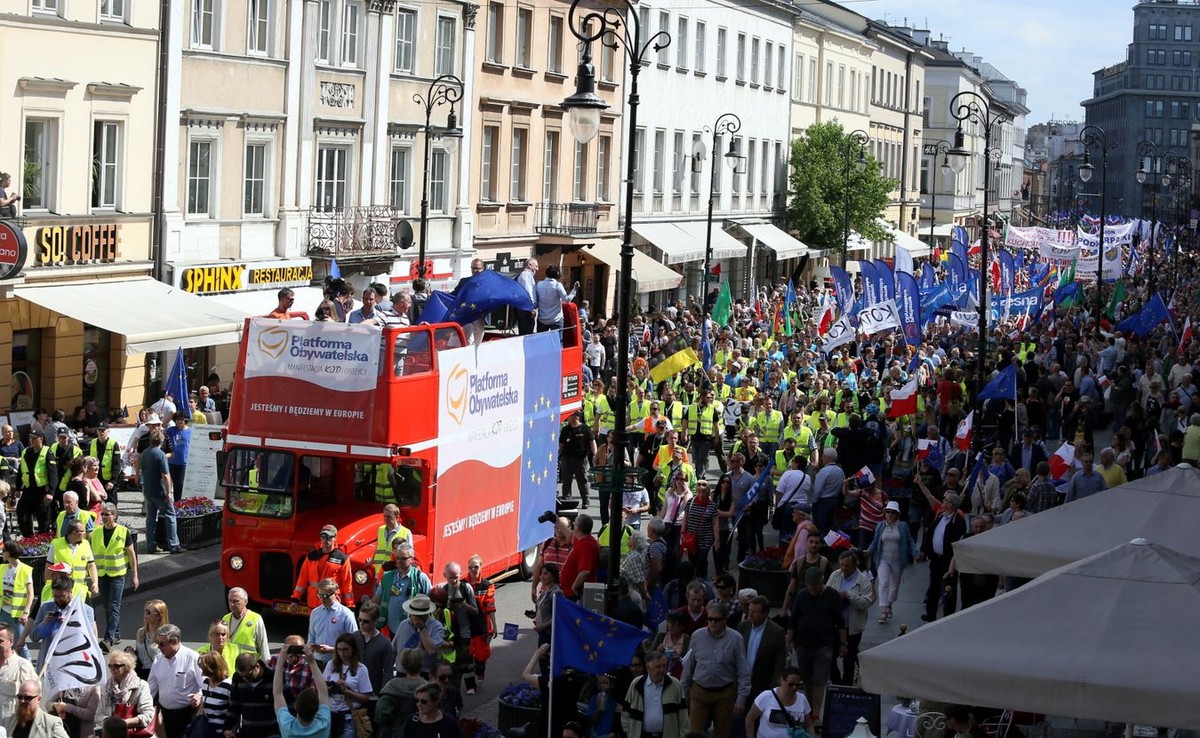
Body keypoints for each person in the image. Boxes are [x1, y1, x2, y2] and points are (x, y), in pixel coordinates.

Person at [679, 601, 751, 738]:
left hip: (725, 693)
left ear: (725, 620)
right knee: (695, 732)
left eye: (716, 619)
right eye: (709, 619)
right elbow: (688, 668)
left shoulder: (736, 639)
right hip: (700, 691)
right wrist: (684, 695)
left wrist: (741, 698)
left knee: (723, 733)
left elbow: (743, 671)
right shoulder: (697, 636)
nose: (712, 622)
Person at [785, 566, 846, 728]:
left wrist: (843, 643)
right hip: (802, 644)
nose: (813, 589)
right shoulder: (802, 595)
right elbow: (794, 620)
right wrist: (788, 641)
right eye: (810, 586)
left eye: (815, 585)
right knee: (806, 680)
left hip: (824, 645)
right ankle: (808, 711)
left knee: (820, 680)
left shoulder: (832, 596)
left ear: (822, 581)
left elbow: (840, 622)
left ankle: (816, 714)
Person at [22, 576, 97, 669]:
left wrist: (70, 624)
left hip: (72, 664)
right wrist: (45, 624)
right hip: (49, 664)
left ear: (70, 592)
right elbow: (34, 637)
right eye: (55, 596)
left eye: (62, 596)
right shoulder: (46, 607)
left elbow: (87, 639)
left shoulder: (85, 610)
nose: (58, 600)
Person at [825, 551, 874, 685]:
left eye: (847, 566)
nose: (843, 569)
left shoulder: (863, 580)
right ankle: (836, 683)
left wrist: (849, 595)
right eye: (841, 565)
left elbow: (866, 603)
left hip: (853, 627)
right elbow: (826, 595)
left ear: (855, 565)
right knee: (829, 657)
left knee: (849, 659)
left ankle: (846, 686)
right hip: (835, 626)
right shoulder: (835, 576)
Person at [147, 624, 204, 738]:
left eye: (162, 644)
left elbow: (205, 684)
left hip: (188, 713)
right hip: (167, 715)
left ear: (175, 641)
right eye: (157, 643)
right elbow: (151, 687)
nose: (159, 647)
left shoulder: (192, 657)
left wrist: (199, 695)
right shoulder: (158, 658)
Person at [918, 492, 967, 623]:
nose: (942, 502)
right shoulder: (940, 516)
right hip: (935, 558)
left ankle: (948, 615)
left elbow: (959, 542)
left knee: (949, 589)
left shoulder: (958, 521)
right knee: (934, 586)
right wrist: (924, 550)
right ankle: (930, 613)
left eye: (945, 500)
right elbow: (930, 533)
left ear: (950, 504)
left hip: (948, 561)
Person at [867, 501, 916, 624]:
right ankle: (883, 611)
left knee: (894, 586)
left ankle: (889, 604)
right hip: (883, 559)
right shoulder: (880, 526)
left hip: (897, 561)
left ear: (897, 514)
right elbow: (875, 541)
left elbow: (910, 541)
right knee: (883, 583)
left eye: (892, 513)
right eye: (887, 512)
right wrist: (868, 551)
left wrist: (915, 552)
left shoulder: (903, 526)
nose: (889, 515)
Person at [621, 651, 689, 738]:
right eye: (658, 667)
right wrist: (630, 732)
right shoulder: (637, 684)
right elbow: (626, 711)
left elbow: (683, 715)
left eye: (664, 666)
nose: (662, 670)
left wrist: (684, 734)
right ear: (648, 667)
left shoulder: (674, 684)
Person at [273, 644, 331, 738]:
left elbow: (277, 693)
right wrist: (312, 662)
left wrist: (280, 661)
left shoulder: (288, 725)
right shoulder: (323, 723)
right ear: (317, 709)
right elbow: (323, 691)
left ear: (296, 707)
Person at [374, 539, 431, 634]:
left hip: (413, 629)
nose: (399, 561)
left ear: (411, 559)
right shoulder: (387, 577)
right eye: (397, 558)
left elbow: (430, 601)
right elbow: (376, 599)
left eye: (403, 558)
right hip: (392, 629)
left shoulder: (421, 577)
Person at [94, 650, 155, 737]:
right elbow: (98, 715)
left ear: (127, 667)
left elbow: (148, 715)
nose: (112, 669)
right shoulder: (106, 687)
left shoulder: (141, 686)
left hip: (134, 734)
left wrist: (124, 723)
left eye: (116, 665)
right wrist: (112, 723)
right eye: (110, 665)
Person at [737, 595, 786, 700]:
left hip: (762, 685)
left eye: (755, 612)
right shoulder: (742, 626)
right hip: (741, 684)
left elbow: (779, 663)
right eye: (749, 610)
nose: (750, 614)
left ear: (765, 614)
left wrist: (774, 689)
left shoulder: (777, 632)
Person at [323, 634, 373, 738]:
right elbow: (322, 688)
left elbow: (366, 698)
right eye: (339, 649)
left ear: (353, 649)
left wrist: (347, 691)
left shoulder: (361, 669)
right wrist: (331, 688)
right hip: (330, 715)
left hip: (348, 716)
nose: (342, 653)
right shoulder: (331, 665)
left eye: (345, 649)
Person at [744, 666, 815, 738]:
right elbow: (750, 718)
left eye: (798, 685)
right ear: (782, 680)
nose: (794, 687)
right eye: (790, 684)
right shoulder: (766, 696)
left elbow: (809, 725)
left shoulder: (802, 699)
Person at [294, 525, 354, 609]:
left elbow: (347, 584)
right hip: (313, 604)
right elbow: (302, 579)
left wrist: (350, 604)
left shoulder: (342, 558)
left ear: (335, 538)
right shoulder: (312, 556)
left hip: (331, 604)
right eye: (323, 536)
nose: (326, 540)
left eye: (329, 537)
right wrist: (295, 598)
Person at [139, 430, 180, 554]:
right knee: (170, 516)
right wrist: (169, 492)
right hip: (160, 491)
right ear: (162, 441)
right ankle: (174, 545)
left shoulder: (145, 453)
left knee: (150, 519)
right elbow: (165, 476)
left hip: (147, 490)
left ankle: (150, 545)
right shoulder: (161, 454)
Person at [354, 600, 393, 725]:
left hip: (373, 695)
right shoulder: (354, 638)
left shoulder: (384, 644)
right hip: (353, 693)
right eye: (359, 620)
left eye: (366, 621)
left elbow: (388, 672)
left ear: (375, 621)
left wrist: (383, 696)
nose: (361, 624)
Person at [463, 554, 496, 694]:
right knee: (468, 655)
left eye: (476, 567)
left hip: (482, 626)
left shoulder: (487, 585)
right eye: (470, 567)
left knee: (481, 656)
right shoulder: (463, 584)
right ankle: (470, 685)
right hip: (467, 626)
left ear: (481, 567)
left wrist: (494, 626)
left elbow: (490, 607)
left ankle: (480, 670)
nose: (473, 570)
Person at [308, 579, 358, 669]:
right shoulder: (315, 613)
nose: (323, 599)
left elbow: (354, 642)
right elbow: (311, 637)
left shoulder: (346, 614)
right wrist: (312, 647)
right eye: (320, 595)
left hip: (338, 663)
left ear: (335, 594)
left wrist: (331, 650)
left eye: (326, 596)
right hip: (317, 662)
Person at [390, 595, 445, 677]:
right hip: (402, 673)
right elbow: (394, 649)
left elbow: (432, 650)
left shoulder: (436, 626)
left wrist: (422, 628)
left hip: (424, 674)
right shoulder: (404, 624)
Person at [376, 648, 425, 738]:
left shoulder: (392, 685)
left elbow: (381, 714)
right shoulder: (427, 687)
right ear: (421, 664)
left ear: (403, 664)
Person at [228, 653, 280, 738]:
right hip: (247, 732)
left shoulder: (274, 677)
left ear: (257, 666)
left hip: (272, 732)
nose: (244, 679)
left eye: (248, 676)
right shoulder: (237, 677)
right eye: (242, 676)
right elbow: (234, 705)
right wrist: (228, 727)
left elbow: (287, 705)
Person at [16, 430, 57, 536]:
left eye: (35, 438)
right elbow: (21, 471)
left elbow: (53, 475)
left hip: (42, 491)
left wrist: (51, 493)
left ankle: (42, 542)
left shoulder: (47, 452)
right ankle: (28, 539)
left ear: (41, 439)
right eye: (31, 438)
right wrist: (17, 488)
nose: (32, 440)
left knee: (44, 519)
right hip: (28, 490)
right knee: (22, 514)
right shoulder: (26, 451)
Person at [0, 541, 35, 659]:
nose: (2, 552)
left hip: (18, 615)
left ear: (9, 553)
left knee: (19, 643)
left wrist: (26, 612)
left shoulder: (25, 570)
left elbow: (31, 594)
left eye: (4, 550)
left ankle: (28, 670)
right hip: (3, 611)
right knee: (3, 641)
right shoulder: (2, 568)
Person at [46, 520, 99, 598]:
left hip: (81, 590)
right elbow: (48, 567)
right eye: (82, 531)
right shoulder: (56, 544)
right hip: (62, 592)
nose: (84, 533)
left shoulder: (86, 544)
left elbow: (91, 565)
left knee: (88, 610)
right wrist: (48, 587)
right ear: (73, 533)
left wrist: (95, 583)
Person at [2, 681, 69, 738]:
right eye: (20, 697)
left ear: (39, 699)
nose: (22, 701)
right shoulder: (7, 720)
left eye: (27, 698)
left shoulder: (51, 723)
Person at [0, 623, 37, 726]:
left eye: (0, 641)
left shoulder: (23, 666)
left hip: (11, 727)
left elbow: (34, 700)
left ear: (11, 642)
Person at [223, 587, 270, 662]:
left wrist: (267, 667)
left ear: (245, 601)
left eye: (236, 601)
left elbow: (263, 645)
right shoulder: (226, 618)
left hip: (249, 666)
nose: (232, 604)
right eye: (230, 601)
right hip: (230, 665)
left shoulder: (256, 618)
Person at [559, 514, 600, 601]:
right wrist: (556, 521)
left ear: (578, 528)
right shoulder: (583, 540)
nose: (573, 524)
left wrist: (574, 586)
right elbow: (569, 534)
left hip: (574, 594)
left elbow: (585, 571)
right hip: (571, 593)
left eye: (575, 523)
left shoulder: (585, 545)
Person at [197, 651, 233, 738]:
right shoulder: (206, 683)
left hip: (223, 733)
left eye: (204, 670)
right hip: (207, 732)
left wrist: (231, 731)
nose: (202, 673)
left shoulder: (228, 686)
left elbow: (235, 711)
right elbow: (202, 709)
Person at [534, 264, 579, 333]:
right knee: (557, 342)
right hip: (556, 319)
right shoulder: (558, 285)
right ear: (558, 275)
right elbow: (567, 300)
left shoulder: (539, 284)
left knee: (541, 342)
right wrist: (574, 290)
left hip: (542, 319)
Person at [369, 504, 411, 578]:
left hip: (394, 574)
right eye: (384, 516)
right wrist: (372, 561)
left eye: (389, 517)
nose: (386, 519)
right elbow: (378, 548)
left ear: (397, 517)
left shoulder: (406, 532)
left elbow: (410, 555)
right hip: (379, 574)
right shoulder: (381, 529)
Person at [131, 599, 168, 679]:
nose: (145, 614)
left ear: (159, 616)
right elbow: (139, 654)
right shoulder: (140, 632)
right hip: (140, 674)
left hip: (156, 675)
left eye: (149, 612)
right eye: (145, 611)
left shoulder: (166, 636)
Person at [164, 414, 191, 503]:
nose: (179, 422)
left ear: (185, 421)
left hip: (184, 462)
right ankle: (175, 503)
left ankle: (178, 502)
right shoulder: (171, 430)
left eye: (182, 420)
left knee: (180, 484)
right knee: (172, 483)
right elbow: (160, 432)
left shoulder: (190, 431)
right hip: (171, 461)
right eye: (178, 420)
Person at [516, 258, 539, 335]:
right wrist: (531, 309)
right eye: (535, 266)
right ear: (529, 265)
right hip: (525, 310)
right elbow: (527, 292)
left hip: (526, 309)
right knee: (526, 333)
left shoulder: (528, 275)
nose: (537, 269)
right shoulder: (526, 275)